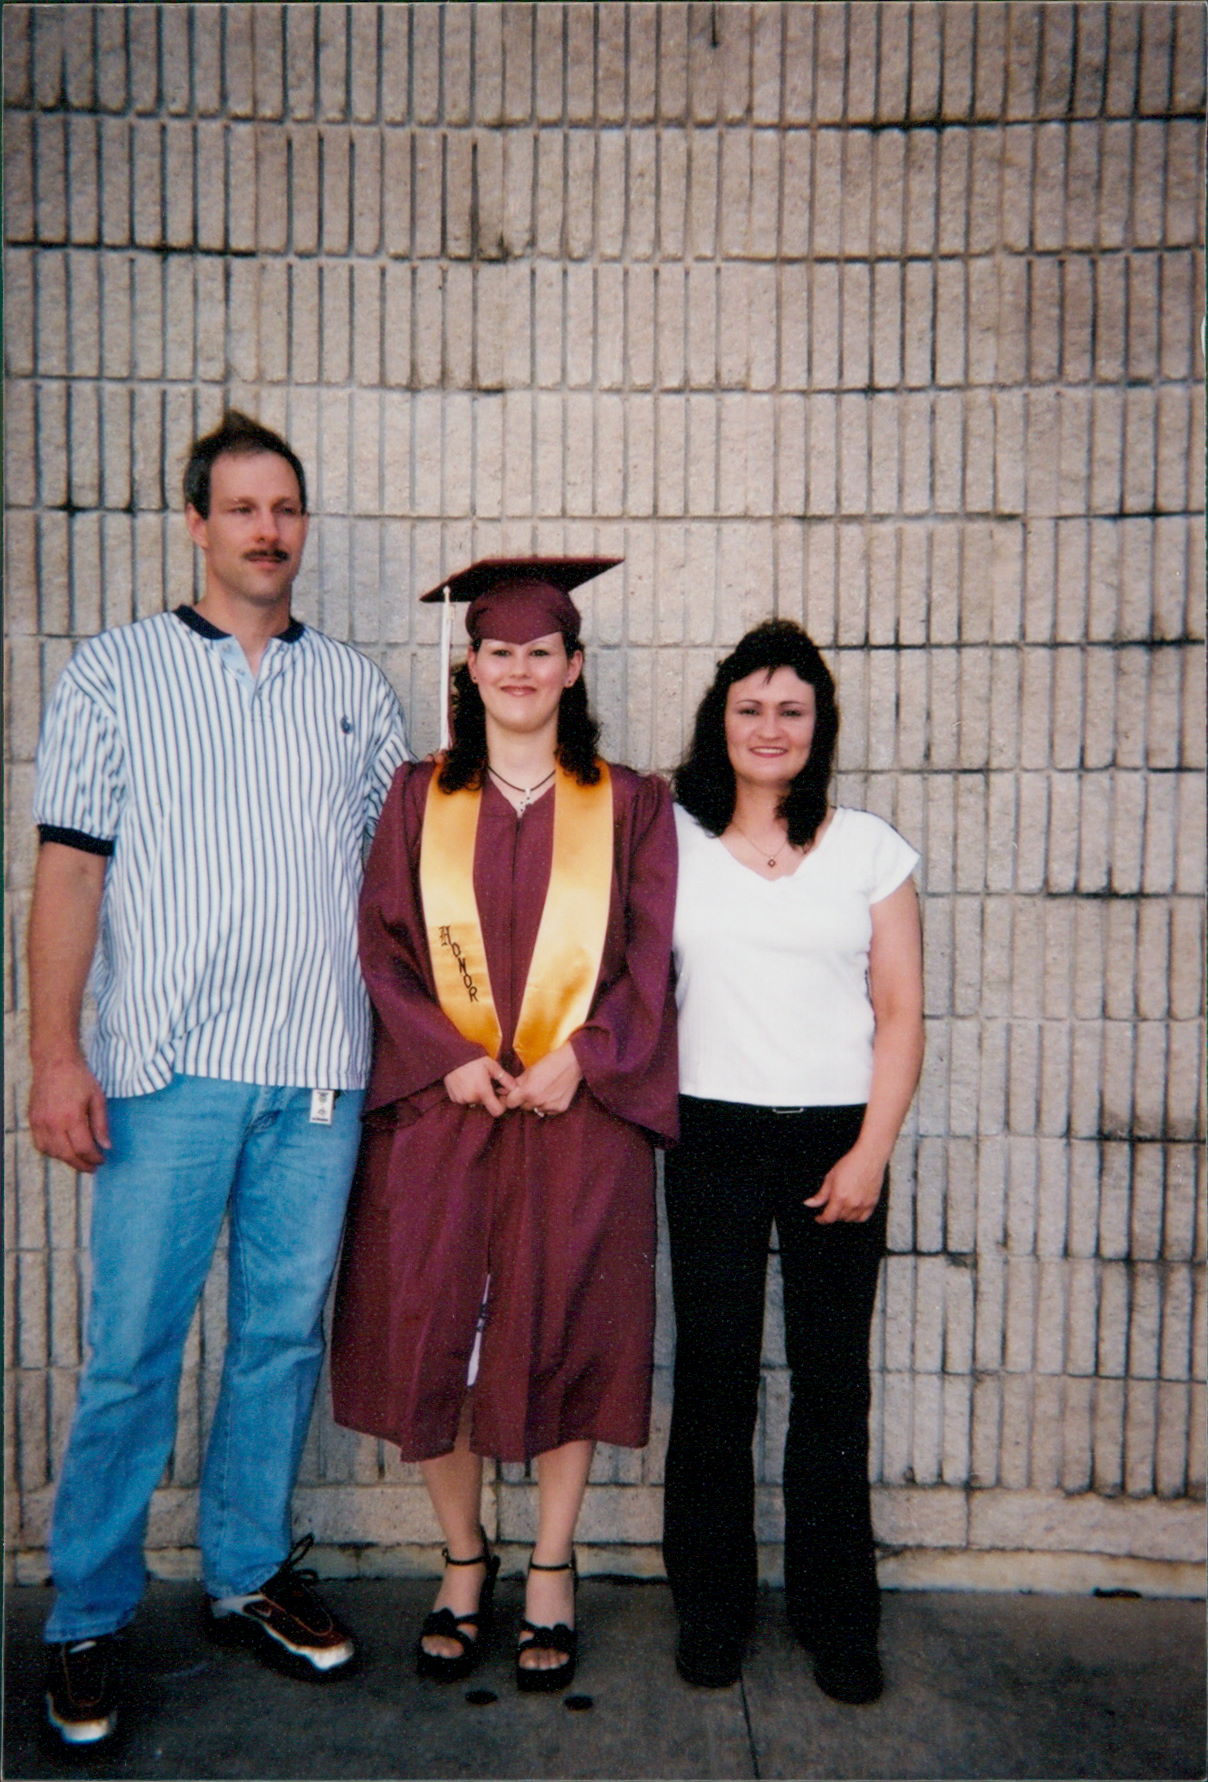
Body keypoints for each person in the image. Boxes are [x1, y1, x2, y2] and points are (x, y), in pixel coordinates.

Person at [28, 411, 411, 1748]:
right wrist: (56, 1052)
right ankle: (87, 1613)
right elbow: (70, 872)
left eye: (285, 508)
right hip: (166, 1068)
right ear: (196, 523)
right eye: (242, 507)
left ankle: (248, 1570)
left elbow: (395, 885)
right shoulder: (114, 674)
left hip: (317, 1072)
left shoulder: (354, 688)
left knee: (280, 1338)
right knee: (133, 1347)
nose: (267, 529)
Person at [330, 558, 677, 1694]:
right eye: (498, 652)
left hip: (581, 1116)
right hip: (449, 1110)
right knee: (439, 1328)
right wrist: (446, 1054)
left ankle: (553, 1566)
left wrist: (589, 1058)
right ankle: (464, 1559)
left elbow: (649, 960)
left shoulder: (630, 804)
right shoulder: (416, 797)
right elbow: (382, 948)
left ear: (573, 668)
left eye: (541, 652)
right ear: (469, 668)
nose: (519, 670)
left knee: (570, 1322)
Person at [663, 619, 924, 1703]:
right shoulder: (669, 839)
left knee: (830, 1383)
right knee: (713, 1379)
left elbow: (900, 1011)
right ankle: (710, 1610)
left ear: (819, 728)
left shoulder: (868, 848)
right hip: (711, 1134)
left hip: (835, 1140)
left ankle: (836, 1617)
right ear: (718, 722)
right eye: (749, 708)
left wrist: (871, 1151)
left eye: (791, 710)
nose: (768, 728)